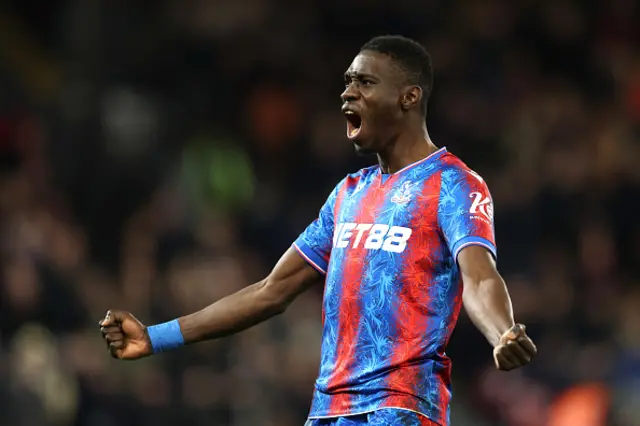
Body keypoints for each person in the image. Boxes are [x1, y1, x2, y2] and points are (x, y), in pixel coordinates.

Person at [100, 35, 537, 426]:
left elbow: (478, 275)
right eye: (348, 81)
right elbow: (271, 291)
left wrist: (503, 331)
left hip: (400, 408)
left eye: (365, 82)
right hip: (329, 411)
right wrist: (155, 337)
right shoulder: (348, 194)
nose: (347, 92)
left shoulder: (454, 183)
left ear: (408, 97)